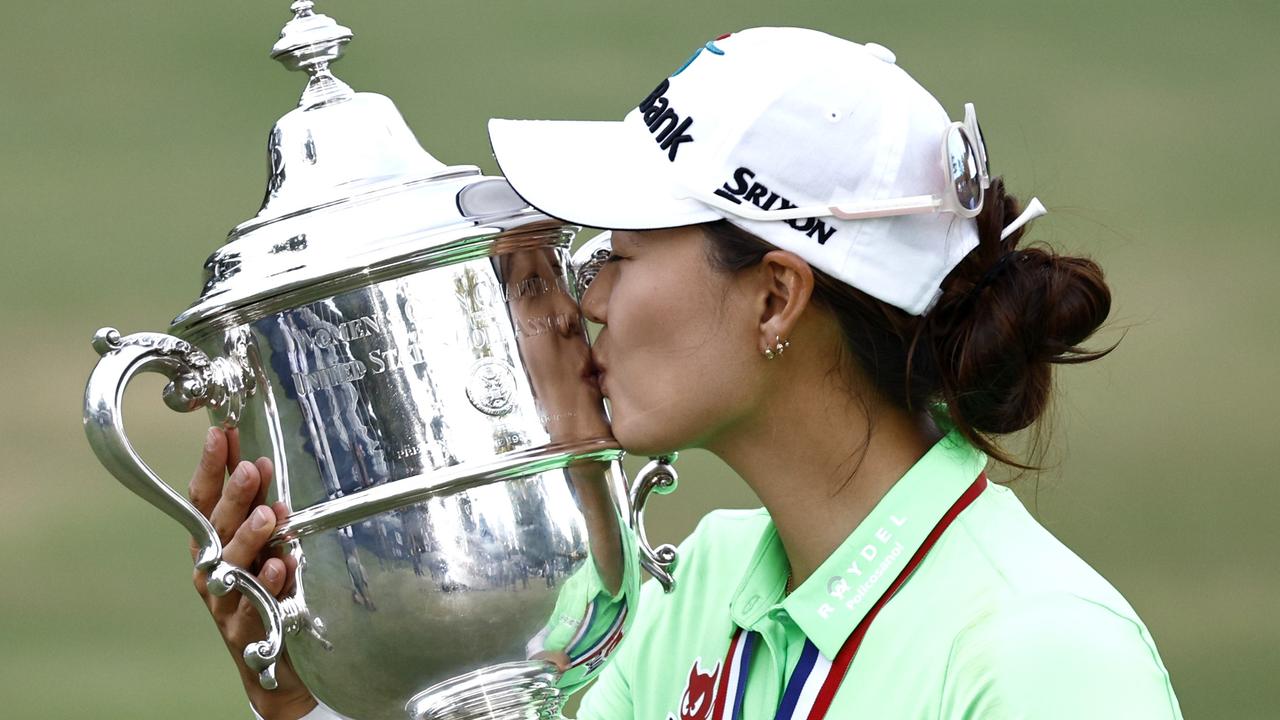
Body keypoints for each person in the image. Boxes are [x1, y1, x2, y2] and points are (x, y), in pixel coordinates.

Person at [191, 27, 1183, 719]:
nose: (589, 298)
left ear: (774, 298)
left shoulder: (1043, 654)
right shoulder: (693, 592)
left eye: (621, 250)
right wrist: (306, 700)